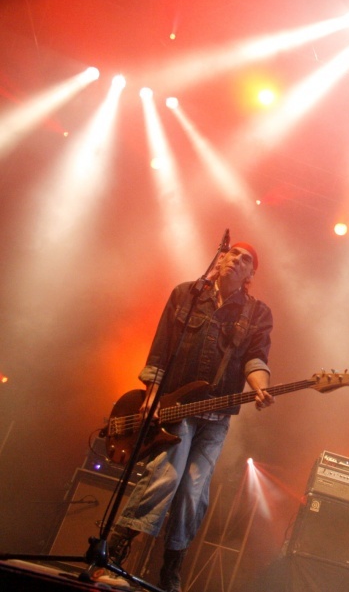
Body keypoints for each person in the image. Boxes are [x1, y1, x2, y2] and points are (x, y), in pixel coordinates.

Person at [102, 242, 275, 592]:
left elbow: (256, 358)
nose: (237, 261)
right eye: (233, 254)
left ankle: (171, 569)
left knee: (193, 492)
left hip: (217, 416)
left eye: (246, 261)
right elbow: (161, 346)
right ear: (221, 258)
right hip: (177, 408)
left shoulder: (257, 312)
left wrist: (261, 386)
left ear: (250, 275)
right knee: (165, 476)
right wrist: (151, 398)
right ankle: (115, 554)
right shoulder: (186, 294)